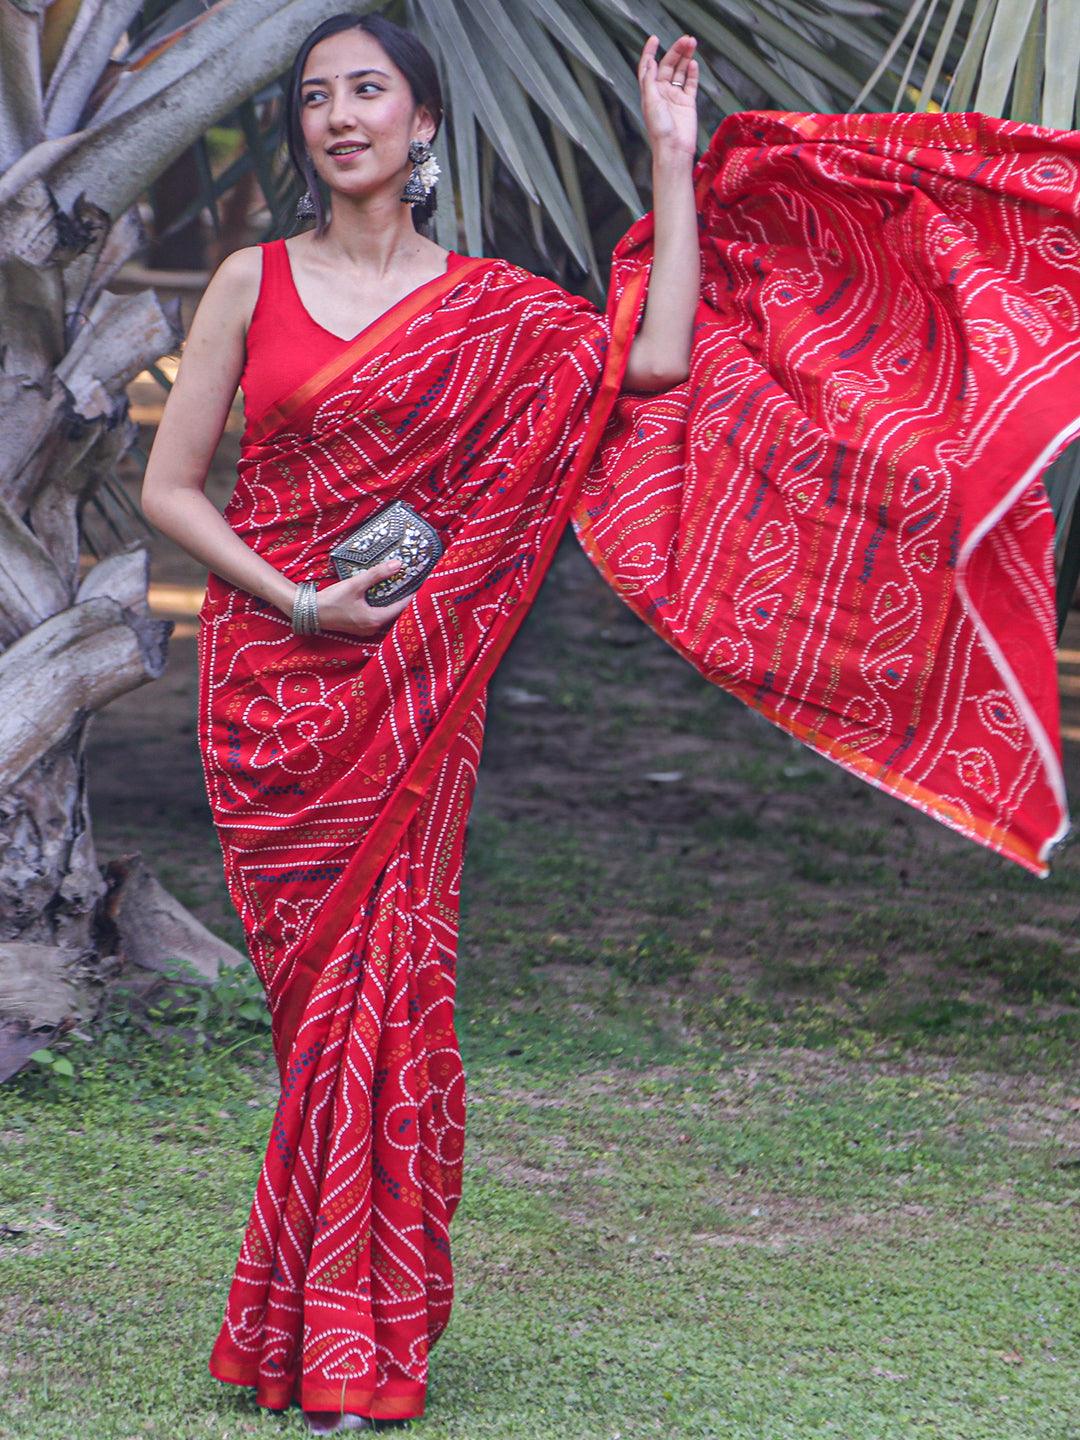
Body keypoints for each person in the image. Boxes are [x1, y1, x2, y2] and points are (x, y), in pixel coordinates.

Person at [140, 9, 1080, 1433]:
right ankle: (313, 1324)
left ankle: (345, 1343)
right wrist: (300, 603)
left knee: (385, 1008)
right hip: (276, 689)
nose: (339, 117)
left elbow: (649, 358)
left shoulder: (495, 310)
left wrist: (669, 156)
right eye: (317, 98)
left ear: (424, 124)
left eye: (368, 91)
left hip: (418, 691)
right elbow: (173, 490)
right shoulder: (246, 283)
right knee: (315, 1016)